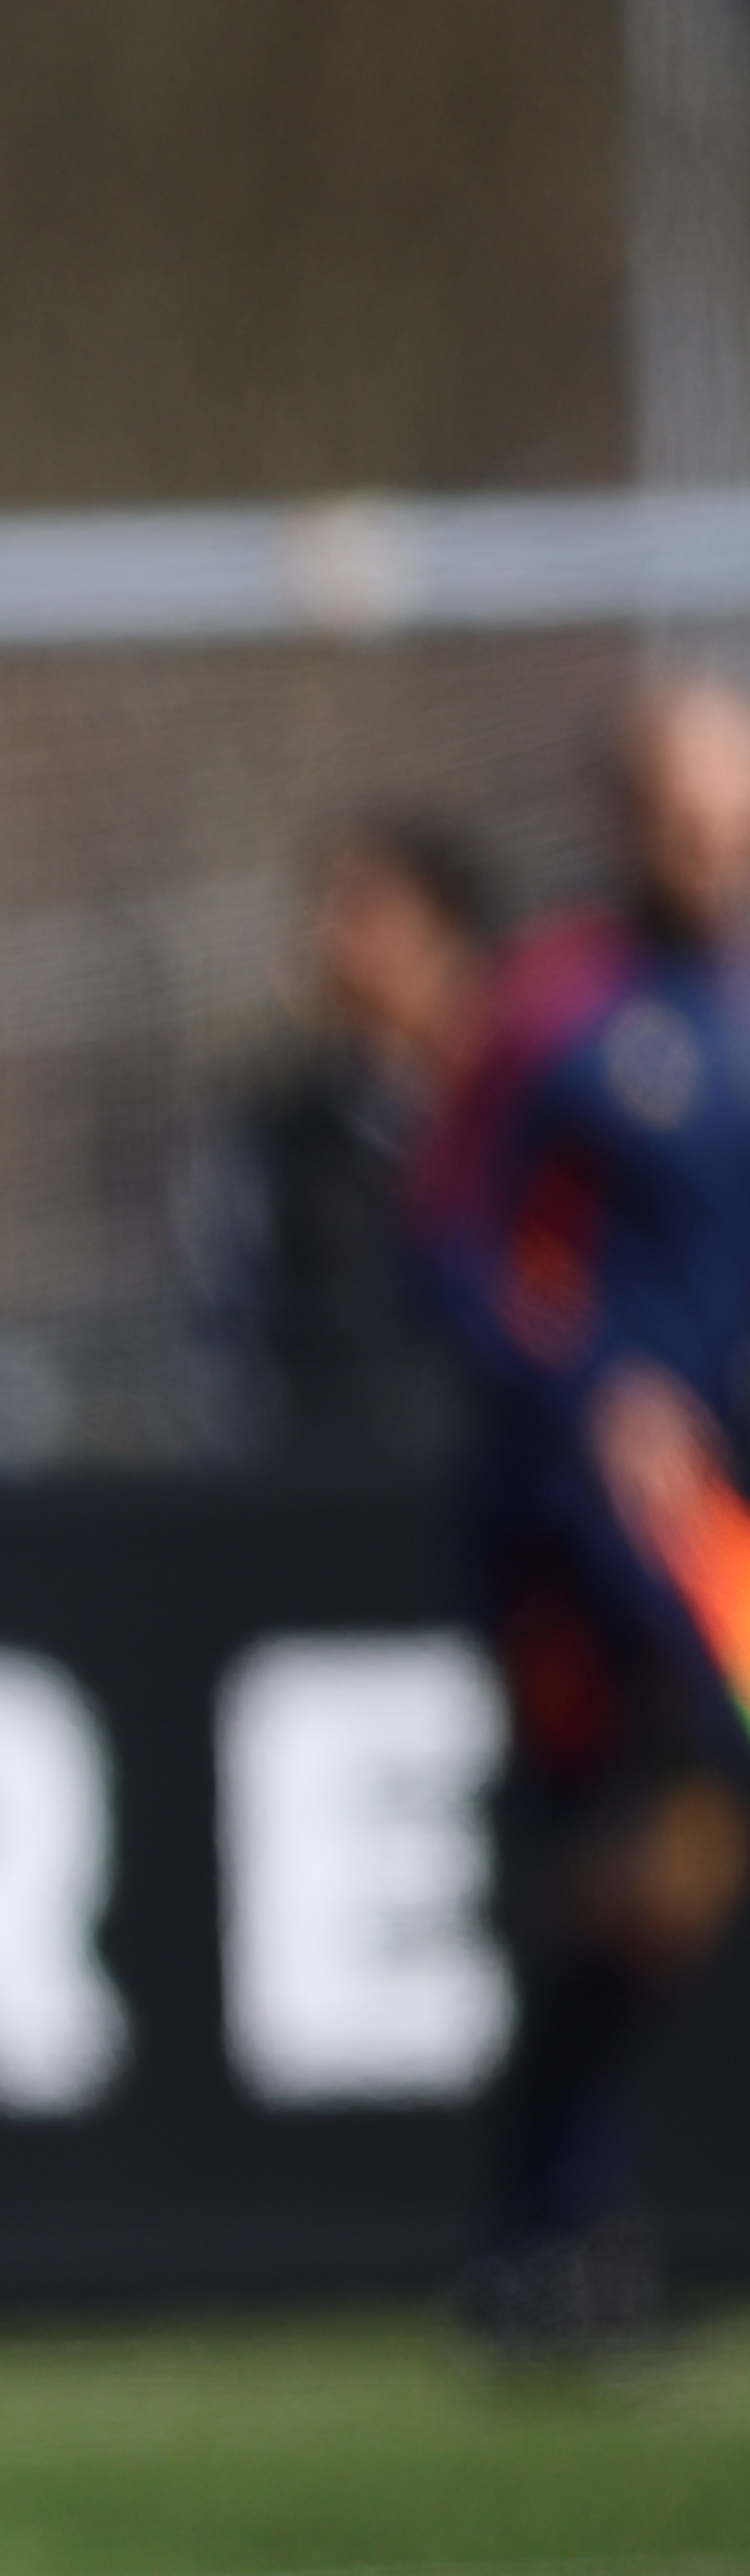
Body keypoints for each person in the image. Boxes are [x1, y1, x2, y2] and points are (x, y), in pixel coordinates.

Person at [415, 678, 750, 2360]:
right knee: (640, 1822)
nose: (713, 839)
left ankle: (565, 2219)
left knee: (672, 1853)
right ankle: (558, 2221)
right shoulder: (555, 1008)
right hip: (592, 1518)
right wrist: (588, 1390)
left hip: (735, 1519)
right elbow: (456, 1251)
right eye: (686, 808)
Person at [188, 814, 507, 1462]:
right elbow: (225, 1334)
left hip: (498, 1489)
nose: (332, 940)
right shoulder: (281, 1135)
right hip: (338, 1496)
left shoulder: (523, 1114)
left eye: (366, 914)